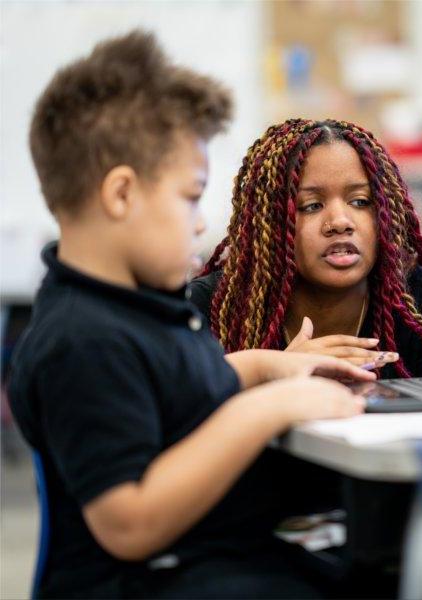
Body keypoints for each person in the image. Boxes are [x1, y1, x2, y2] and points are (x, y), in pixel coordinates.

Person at [7, 33, 375, 599]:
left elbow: (190, 386)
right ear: (121, 195)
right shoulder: (85, 340)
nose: (201, 223)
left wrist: (269, 367)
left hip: (213, 561)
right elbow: (129, 523)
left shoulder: (136, 309)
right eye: (190, 196)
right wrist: (266, 409)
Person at [190, 119, 422, 379]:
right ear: (268, 222)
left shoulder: (414, 296)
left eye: (360, 202)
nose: (340, 222)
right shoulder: (209, 308)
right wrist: (272, 378)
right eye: (311, 206)